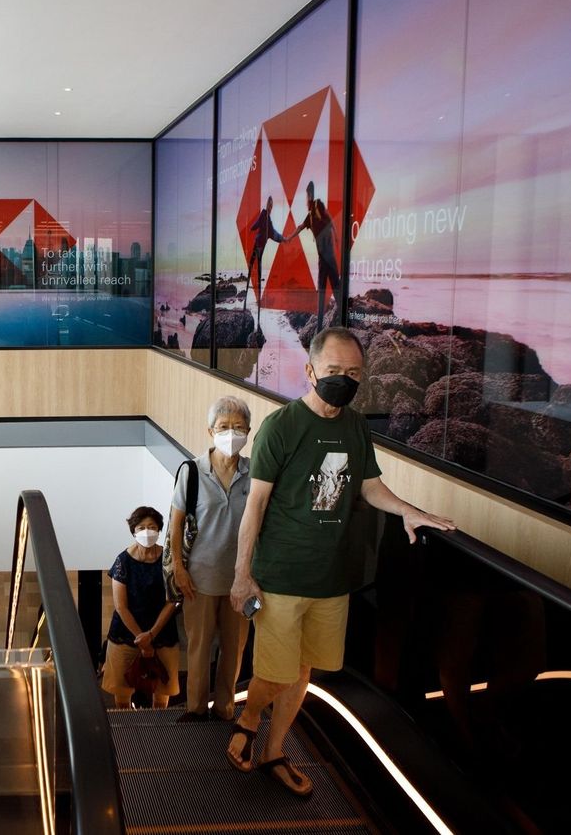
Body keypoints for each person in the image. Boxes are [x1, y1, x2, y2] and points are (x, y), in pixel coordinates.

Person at [227, 327, 455, 797]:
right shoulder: (281, 427)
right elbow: (255, 505)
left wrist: (408, 510)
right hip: (281, 576)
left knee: (304, 670)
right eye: (333, 370)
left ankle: (274, 751)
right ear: (310, 371)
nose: (343, 380)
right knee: (276, 671)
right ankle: (248, 718)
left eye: (353, 373)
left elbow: (368, 485)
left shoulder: (355, 427)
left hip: (332, 580)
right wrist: (241, 575)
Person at [170, 395, 253, 722]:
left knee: (234, 650)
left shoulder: (255, 472)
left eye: (238, 427)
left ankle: (224, 709)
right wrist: (179, 568)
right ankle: (195, 709)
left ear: (248, 431)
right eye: (223, 427)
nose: (231, 433)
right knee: (199, 647)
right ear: (210, 431)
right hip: (199, 579)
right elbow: (176, 524)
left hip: (241, 581)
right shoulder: (192, 471)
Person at [101, 506, 180, 709]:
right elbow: (121, 606)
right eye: (141, 527)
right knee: (121, 693)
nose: (147, 532)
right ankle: (125, 729)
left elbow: (172, 600)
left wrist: (151, 635)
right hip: (125, 633)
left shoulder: (168, 559)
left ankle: (157, 729)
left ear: (159, 530)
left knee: (162, 691)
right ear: (133, 531)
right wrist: (142, 639)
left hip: (163, 632)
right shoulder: (122, 561)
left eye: (152, 527)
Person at [287, 181, 340, 327]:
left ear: (309, 195)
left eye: (306, 196)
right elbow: (300, 227)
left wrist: (336, 237)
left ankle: (340, 320)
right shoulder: (310, 216)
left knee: (335, 286)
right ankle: (320, 326)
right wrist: (289, 237)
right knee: (322, 290)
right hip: (322, 257)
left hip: (328, 255)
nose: (306, 200)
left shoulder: (318, 205)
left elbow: (329, 219)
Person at [244, 195, 285, 320]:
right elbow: (258, 225)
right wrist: (252, 228)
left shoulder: (268, 220)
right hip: (257, 246)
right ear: (267, 205)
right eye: (269, 205)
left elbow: (273, 234)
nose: (270, 207)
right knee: (252, 268)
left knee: (257, 270)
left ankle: (256, 302)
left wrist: (283, 239)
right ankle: (247, 301)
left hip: (260, 247)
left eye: (271, 205)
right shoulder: (264, 214)